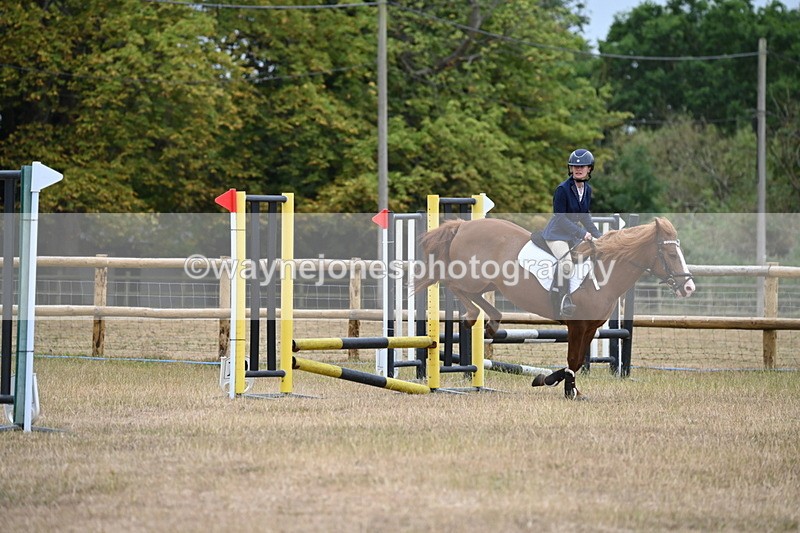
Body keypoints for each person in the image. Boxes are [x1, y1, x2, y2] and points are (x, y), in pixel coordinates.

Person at [540, 148, 602, 318]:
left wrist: (600, 236)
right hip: (557, 234)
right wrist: (582, 233)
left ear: (589, 169)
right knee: (567, 263)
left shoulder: (587, 189)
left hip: (572, 235)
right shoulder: (563, 189)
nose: (578, 169)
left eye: (582, 166)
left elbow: (585, 216)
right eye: (574, 166)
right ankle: (562, 298)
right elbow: (560, 219)